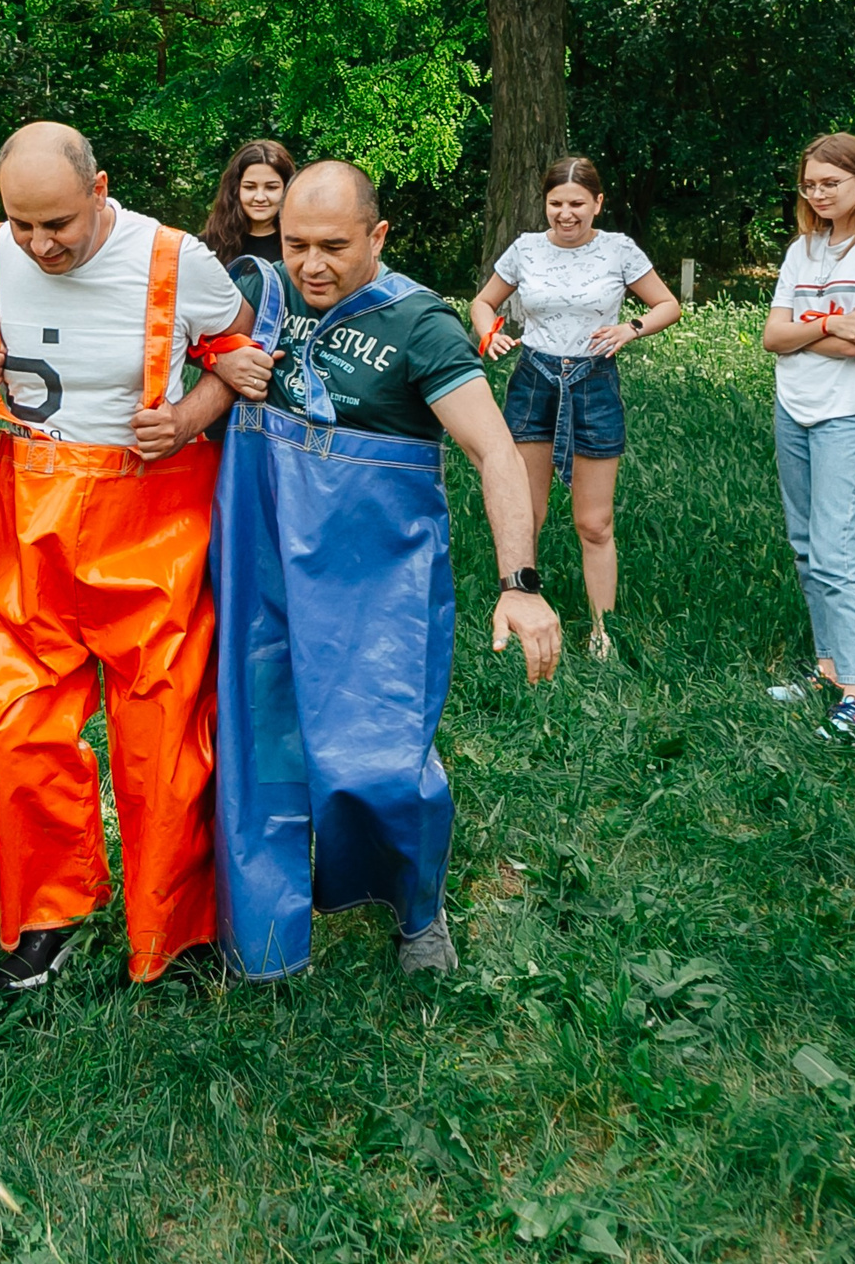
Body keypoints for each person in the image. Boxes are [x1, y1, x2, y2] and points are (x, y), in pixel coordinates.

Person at [207, 162, 563, 981]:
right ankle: (261, 932)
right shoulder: (257, 293)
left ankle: (415, 908)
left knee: (380, 753)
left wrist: (519, 585)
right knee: (257, 742)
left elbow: (494, 451)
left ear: (378, 236)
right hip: (260, 563)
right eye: (296, 244)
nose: (312, 265)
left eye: (334, 246)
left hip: (373, 577)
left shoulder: (419, 324)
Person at [0, 121, 251, 991]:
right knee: (8, 719)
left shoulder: (175, 258)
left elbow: (240, 350)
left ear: (99, 190)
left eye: (59, 224)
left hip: (153, 517)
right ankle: (48, 913)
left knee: (163, 733)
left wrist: (187, 417)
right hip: (28, 513)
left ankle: (174, 933)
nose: (40, 245)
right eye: (23, 224)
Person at [468, 156, 682, 659]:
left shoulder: (618, 249)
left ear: (597, 204)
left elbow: (668, 305)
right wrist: (488, 333)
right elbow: (482, 303)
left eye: (577, 204)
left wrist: (631, 329)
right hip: (534, 382)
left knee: (594, 523)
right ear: (545, 204)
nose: (566, 214)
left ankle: (602, 631)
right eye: (556, 203)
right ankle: (520, 612)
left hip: (593, 382)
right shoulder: (525, 248)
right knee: (528, 514)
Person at [759, 132, 855, 739]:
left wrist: (803, 331)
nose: (818, 194)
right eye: (809, 185)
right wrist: (828, 322)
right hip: (793, 406)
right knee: (805, 544)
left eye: (831, 183)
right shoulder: (804, 249)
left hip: (849, 411)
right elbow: (771, 338)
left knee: (835, 546)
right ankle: (826, 669)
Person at [199, 139, 295, 265]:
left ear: (287, 189)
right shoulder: (205, 247)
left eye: (271, 187)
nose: (260, 198)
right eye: (250, 187)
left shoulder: (300, 245)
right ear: (235, 189)